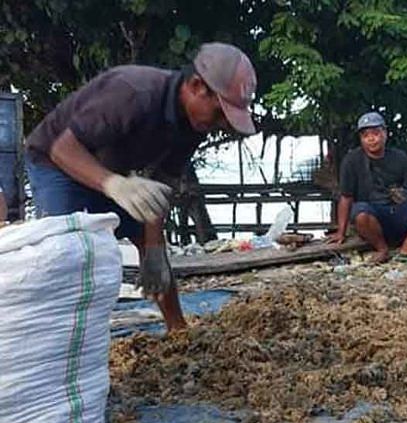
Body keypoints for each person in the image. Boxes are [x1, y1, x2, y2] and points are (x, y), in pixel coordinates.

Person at [24, 42, 257, 331]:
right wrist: (113, 185)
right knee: (68, 249)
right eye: (221, 112)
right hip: (55, 162)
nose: (222, 124)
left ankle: (177, 329)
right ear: (197, 86)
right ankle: (57, 334)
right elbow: (63, 149)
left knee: (149, 242)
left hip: (111, 172)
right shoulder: (134, 92)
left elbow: (161, 187)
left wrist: (155, 249)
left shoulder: (194, 126)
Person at [327, 112, 407, 263]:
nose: (371, 139)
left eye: (375, 133)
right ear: (361, 139)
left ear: (385, 133)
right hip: (372, 216)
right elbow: (346, 197)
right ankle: (382, 249)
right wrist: (341, 232)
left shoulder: (399, 157)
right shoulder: (351, 161)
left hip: (399, 212)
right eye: (365, 135)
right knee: (360, 212)